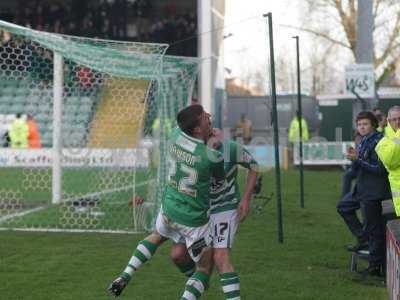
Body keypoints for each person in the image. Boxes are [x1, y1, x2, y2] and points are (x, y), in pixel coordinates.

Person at [108, 105, 225, 299]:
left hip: (169, 209)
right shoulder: (212, 157)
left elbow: (188, 134)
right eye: (205, 117)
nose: (209, 117)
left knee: (156, 236)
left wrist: (207, 137)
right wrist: (214, 142)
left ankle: (126, 274)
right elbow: (218, 183)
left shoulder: (174, 135)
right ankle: (195, 284)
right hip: (193, 220)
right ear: (196, 129)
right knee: (205, 268)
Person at [169, 128, 259, 300]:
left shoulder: (230, 148)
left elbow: (254, 166)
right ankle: (202, 281)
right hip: (201, 212)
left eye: (216, 133)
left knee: (220, 256)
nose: (216, 137)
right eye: (210, 135)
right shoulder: (194, 154)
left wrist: (246, 199)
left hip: (226, 208)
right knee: (178, 255)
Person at [336, 111, 391, 277]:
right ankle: (363, 238)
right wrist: (353, 159)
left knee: (374, 228)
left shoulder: (380, 141)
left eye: (365, 124)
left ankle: (375, 266)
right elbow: (358, 166)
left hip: (374, 191)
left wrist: (357, 160)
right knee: (343, 207)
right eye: (359, 125)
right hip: (361, 188)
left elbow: (380, 170)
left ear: (373, 124)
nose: (362, 127)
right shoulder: (362, 140)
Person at [376, 106, 400, 217]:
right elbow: (391, 161)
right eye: (394, 119)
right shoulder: (382, 142)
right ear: (389, 121)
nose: (398, 122)